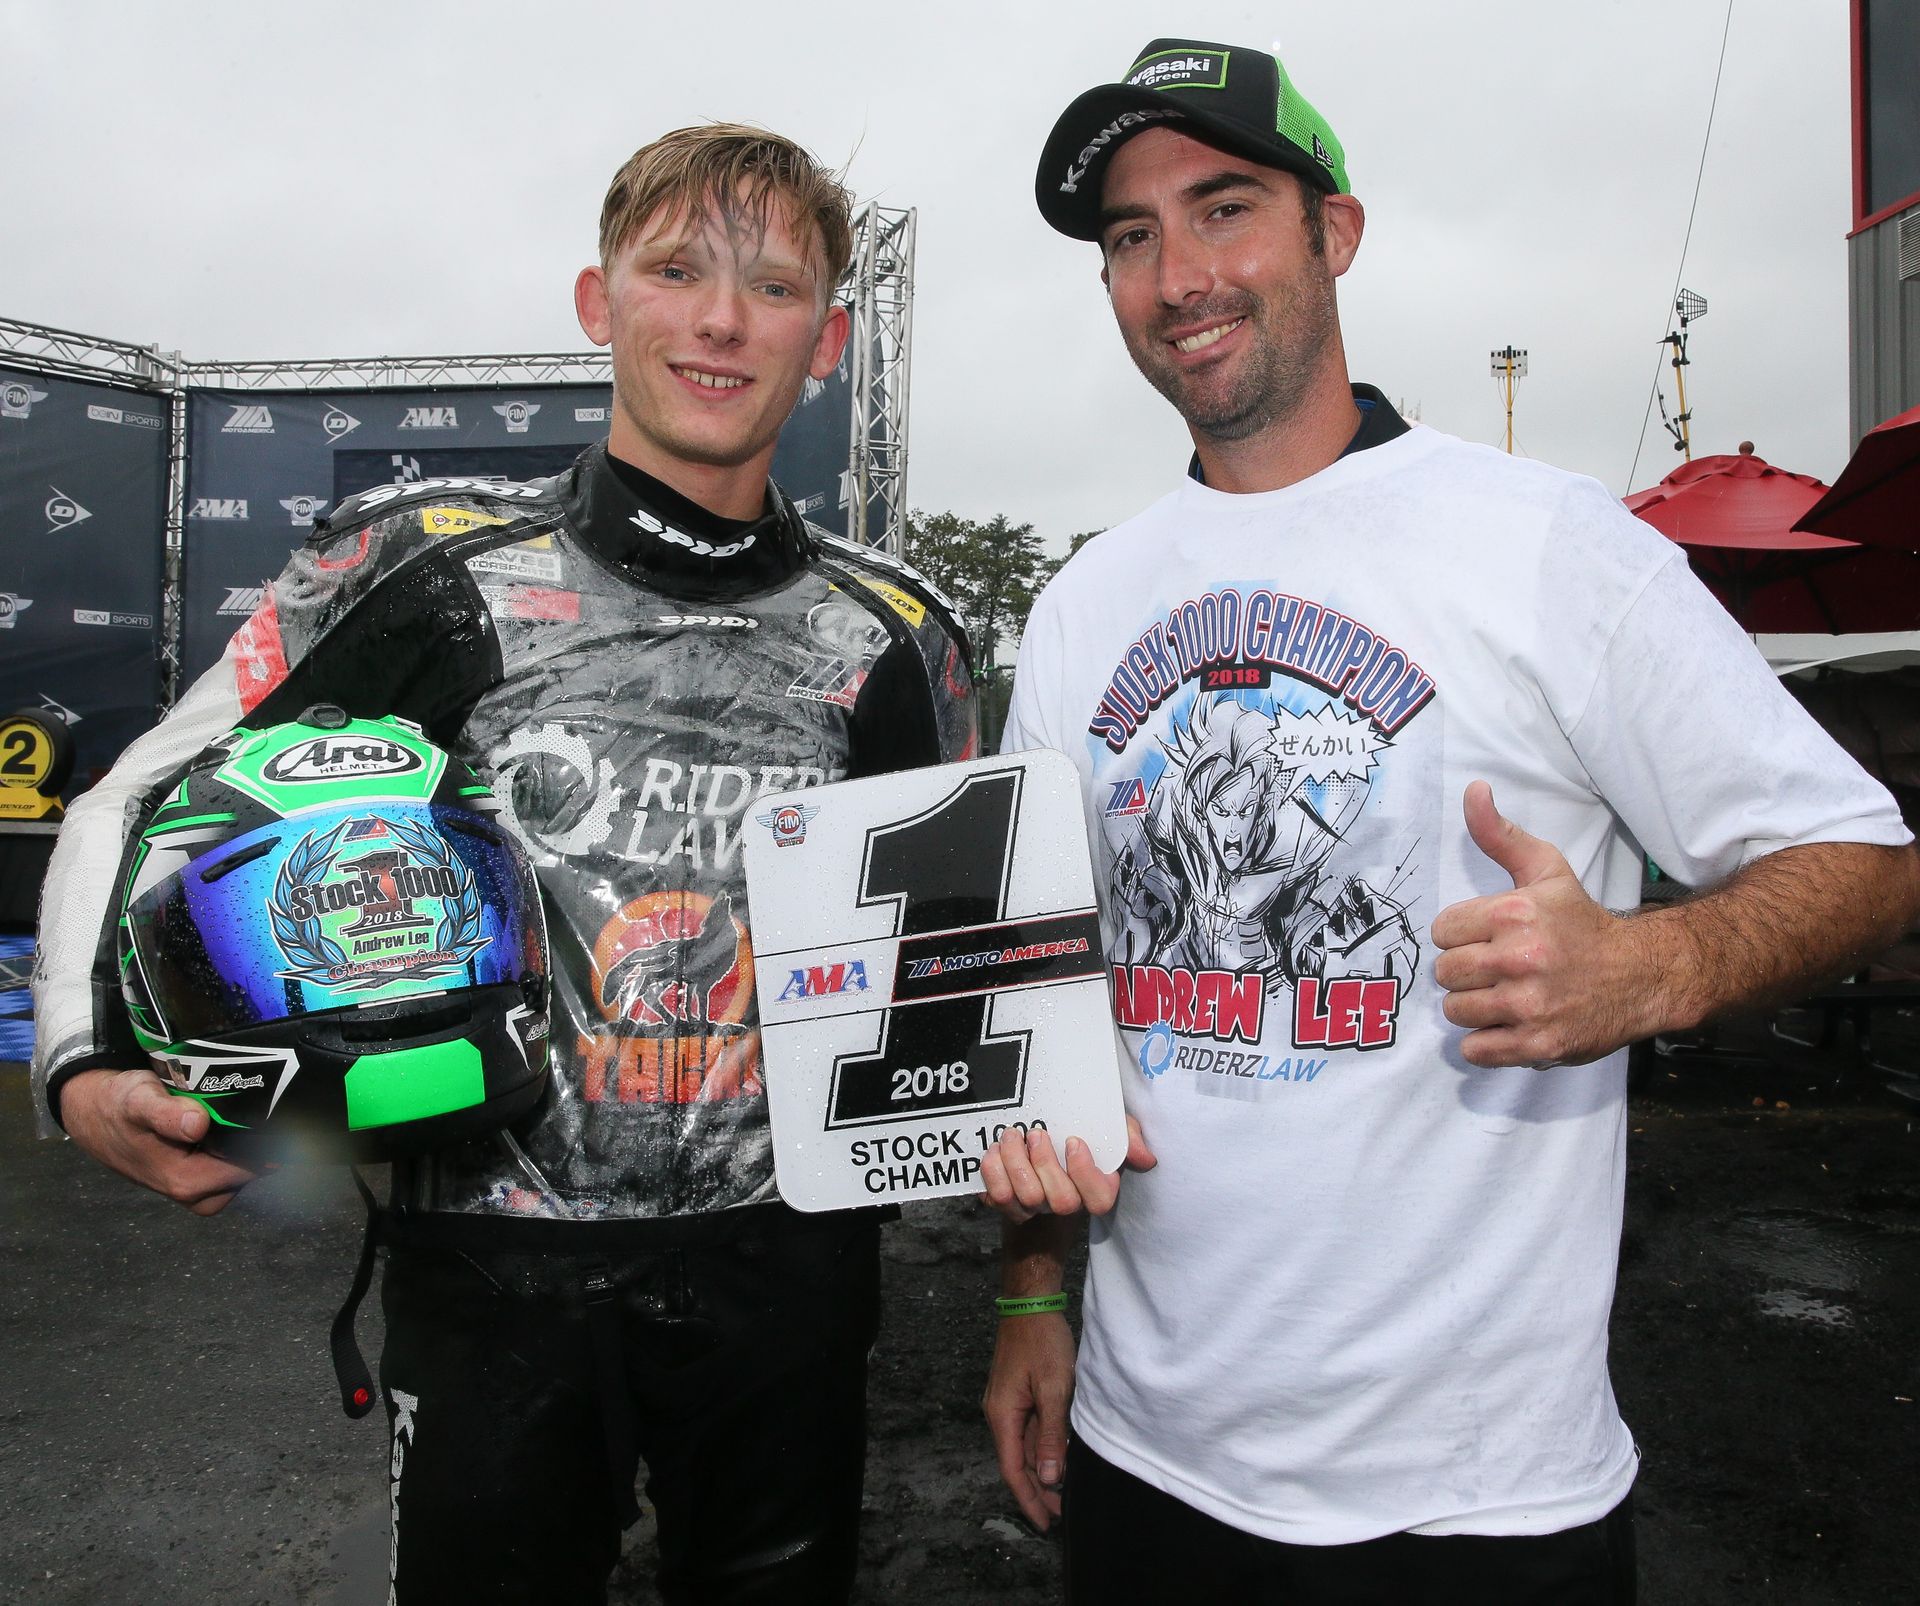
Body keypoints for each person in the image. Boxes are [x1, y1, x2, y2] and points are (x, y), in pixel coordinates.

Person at [979, 37, 1920, 1605]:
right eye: (1132, 235)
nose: (1179, 274)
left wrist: (1653, 966)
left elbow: (1871, 863)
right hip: (1148, 1468)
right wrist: (1027, 1295)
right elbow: (1037, 995)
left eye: (1225, 208)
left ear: (1334, 233)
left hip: (1479, 1506)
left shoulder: (1551, 545)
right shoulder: (1085, 604)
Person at [33, 123, 975, 1606]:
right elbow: (134, 797)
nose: (723, 320)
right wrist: (80, 1060)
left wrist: (1026, 1256)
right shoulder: (423, 565)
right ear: (600, 303)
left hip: (790, 1274)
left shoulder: (899, 635)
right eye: (677, 271)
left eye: (774, 286)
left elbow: (961, 970)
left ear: (831, 339)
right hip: (489, 1268)